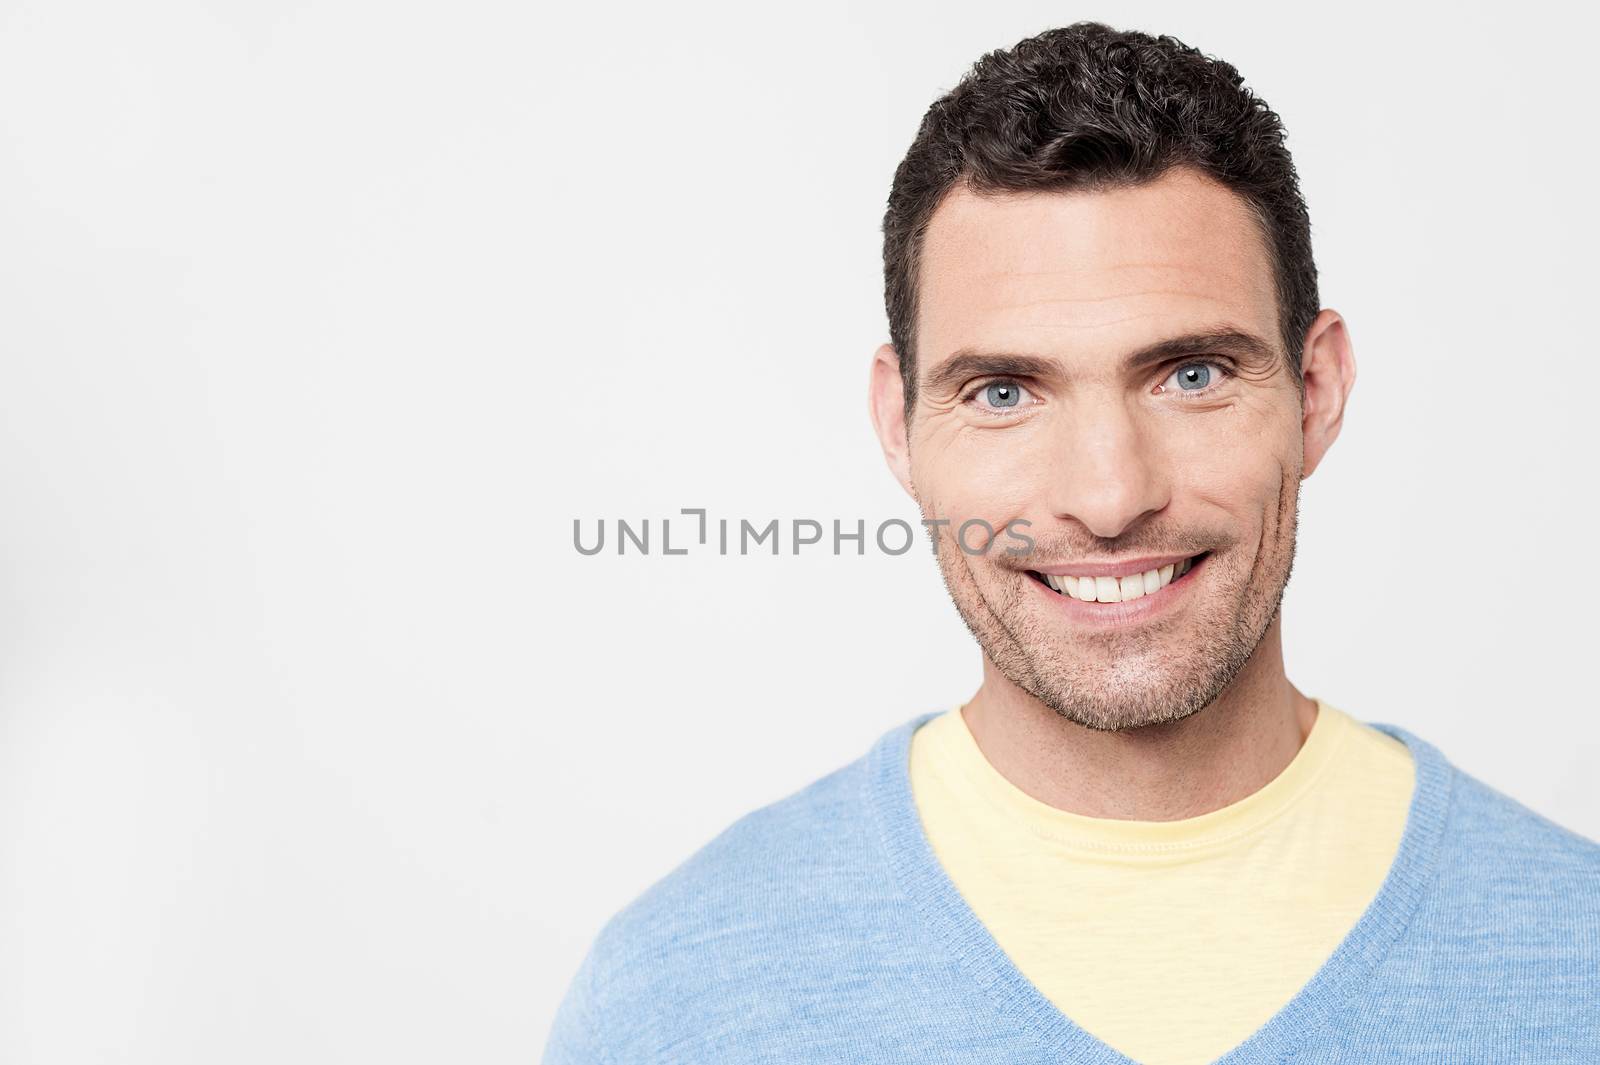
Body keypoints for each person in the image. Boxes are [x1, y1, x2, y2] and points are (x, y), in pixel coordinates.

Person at [542, 22, 1600, 1064]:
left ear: (1315, 392)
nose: (1107, 498)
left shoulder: (1578, 954)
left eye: (1192, 374)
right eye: (1002, 392)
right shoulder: (677, 997)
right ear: (897, 427)